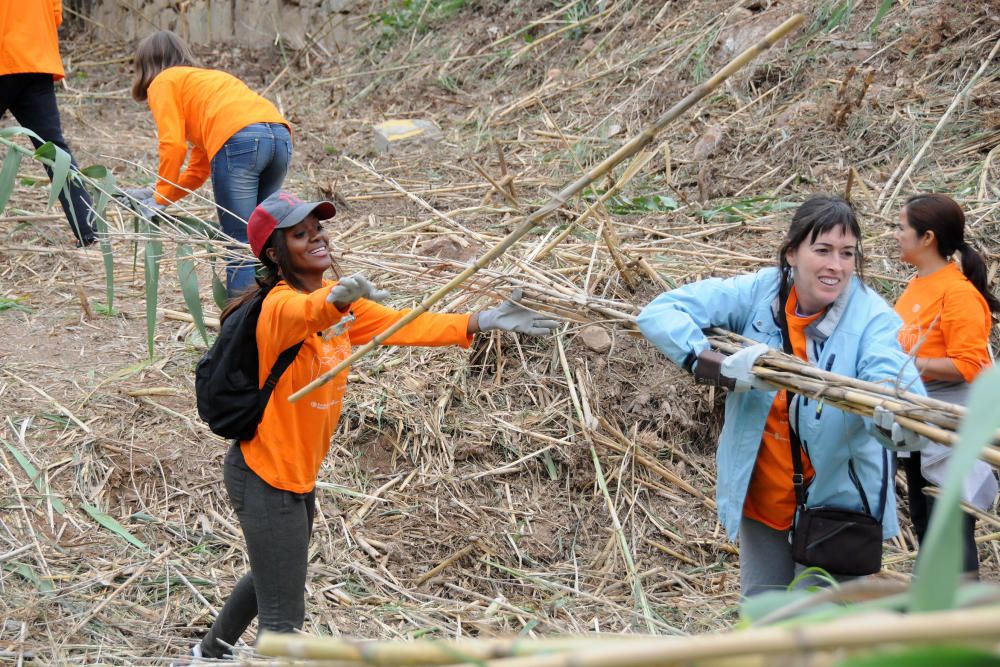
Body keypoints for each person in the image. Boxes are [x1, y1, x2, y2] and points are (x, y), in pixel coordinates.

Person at [193, 191, 558, 659]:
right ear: (274, 253)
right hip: (265, 477)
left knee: (274, 573)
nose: (316, 238)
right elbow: (307, 312)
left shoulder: (343, 313)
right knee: (284, 622)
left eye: (317, 229)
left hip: (294, 476)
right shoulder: (278, 309)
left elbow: (406, 324)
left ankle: (207, 654)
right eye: (300, 235)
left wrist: (481, 320)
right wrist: (336, 298)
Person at [637, 195, 925, 597]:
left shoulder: (871, 318)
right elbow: (660, 312)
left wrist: (897, 416)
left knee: (823, 635)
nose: (836, 266)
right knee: (764, 622)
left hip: (837, 507)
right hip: (763, 498)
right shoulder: (760, 293)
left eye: (846, 253)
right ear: (792, 252)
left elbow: (893, 380)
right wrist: (718, 367)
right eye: (822, 250)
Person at [129, 30, 293, 297]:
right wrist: (160, 195)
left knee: (239, 241)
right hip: (279, 136)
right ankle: (279, 310)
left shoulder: (163, 81)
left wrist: (160, 196)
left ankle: (240, 325)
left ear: (145, 64)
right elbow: (197, 170)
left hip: (240, 141)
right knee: (265, 236)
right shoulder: (208, 83)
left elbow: (173, 145)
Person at [892, 193, 999, 577]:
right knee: (926, 520)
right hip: (921, 417)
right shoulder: (918, 286)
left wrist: (908, 363)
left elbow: (973, 365)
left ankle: (953, 615)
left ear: (928, 238)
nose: (896, 235)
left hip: (951, 420)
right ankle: (938, 615)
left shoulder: (958, 294)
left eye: (902, 227)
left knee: (949, 526)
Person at [0, 1, 98, 247]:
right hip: (37, 62)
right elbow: (56, 16)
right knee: (54, 150)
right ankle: (88, 231)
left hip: (4, 59)